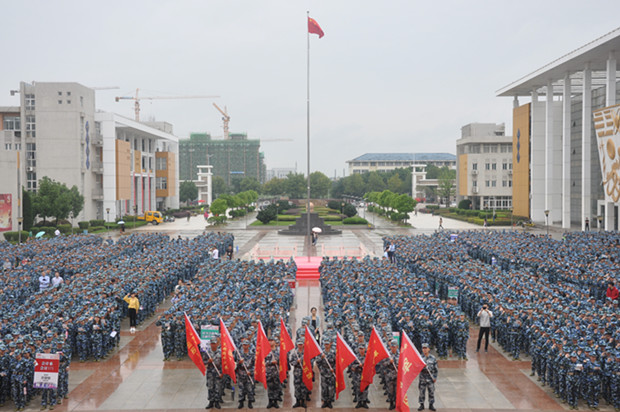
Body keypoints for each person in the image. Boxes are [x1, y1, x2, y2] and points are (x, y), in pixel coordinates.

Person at [418, 343, 438, 411]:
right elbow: (417, 368)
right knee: (421, 392)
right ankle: (421, 404)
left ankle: (431, 405)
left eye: (426, 348)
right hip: (423, 378)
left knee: (431, 392)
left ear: (429, 349)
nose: (424, 349)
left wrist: (435, 377)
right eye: (423, 348)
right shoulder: (420, 358)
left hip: (430, 378)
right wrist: (422, 367)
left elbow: (436, 369)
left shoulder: (433, 358)